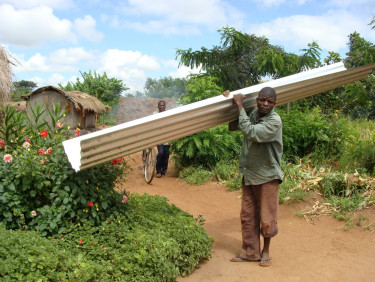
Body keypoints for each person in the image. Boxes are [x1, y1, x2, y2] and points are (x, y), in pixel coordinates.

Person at [224, 87, 283, 267]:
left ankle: (265, 251)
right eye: (262, 100)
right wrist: (227, 102)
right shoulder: (254, 113)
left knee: (267, 217)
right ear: (257, 100)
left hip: (267, 175)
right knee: (248, 216)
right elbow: (235, 124)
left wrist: (240, 103)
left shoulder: (274, 121)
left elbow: (251, 132)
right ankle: (250, 253)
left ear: (274, 103)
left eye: (270, 101)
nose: (266, 104)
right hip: (249, 174)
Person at [155, 100, 170, 178]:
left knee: (166, 155)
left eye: (163, 105)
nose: (161, 107)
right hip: (159, 138)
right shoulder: (155, 115)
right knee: (161, 153)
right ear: (158, 107)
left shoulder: (168, 115)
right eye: (160, 105)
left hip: (168, 138)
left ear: (165, 106)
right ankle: (158, 171)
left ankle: (163, 171)